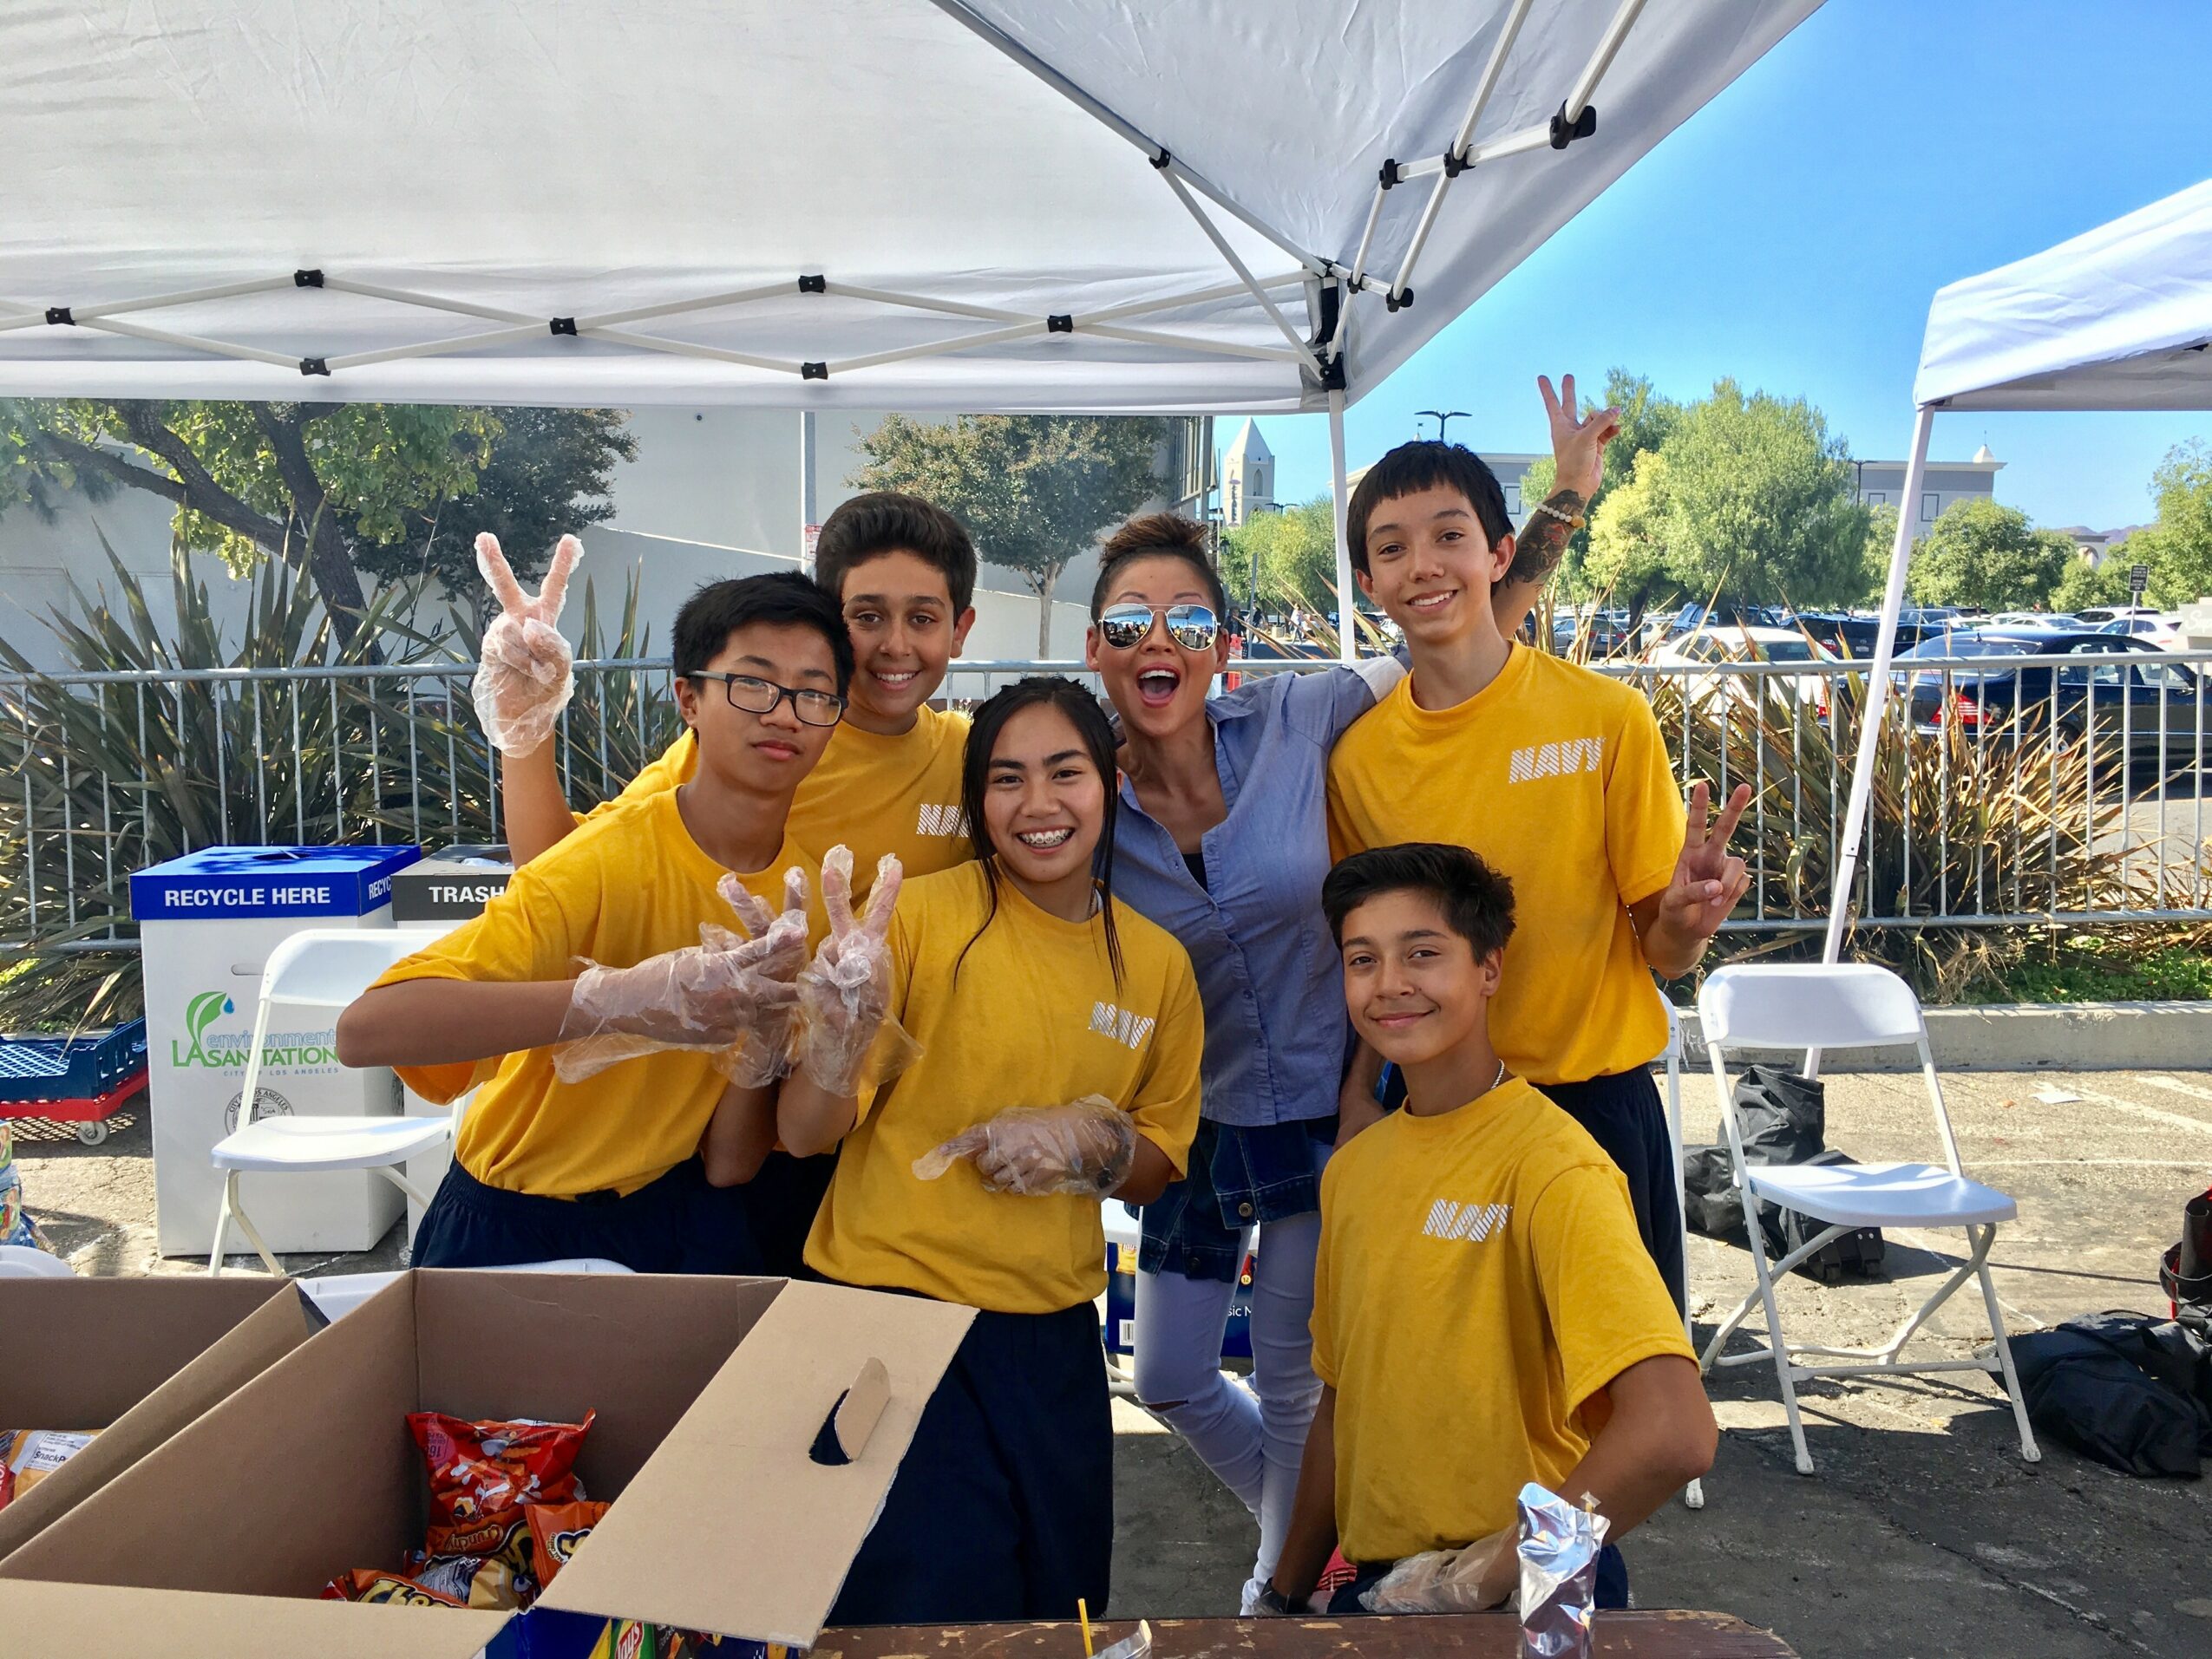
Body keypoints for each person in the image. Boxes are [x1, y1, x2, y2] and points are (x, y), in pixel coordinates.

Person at [1083, 378, 1618, 1612]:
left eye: (1184, 618)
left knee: (1290, 1379)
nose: (1155, 642)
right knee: (1162, 1372)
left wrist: (1563, 503)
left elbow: (1460, 620)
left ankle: (1274, 1590)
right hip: (1196, 1121)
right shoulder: (1082, 803)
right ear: (1097, 650)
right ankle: (1298, 1534)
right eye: (1125, 623)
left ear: (1221, 641)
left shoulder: (1299, 714)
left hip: (1336, 1110)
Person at [758, 676, 1204, 1624]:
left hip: (1049, 1338)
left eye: (1065, 772)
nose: (1038, 804)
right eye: (1007, 778)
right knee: (924, 1608)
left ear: (1111, 783)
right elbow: (802, 1133)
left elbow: (1161, 1162)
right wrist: (836, 1034)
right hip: (889, 1319)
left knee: (1062, 1603)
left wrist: (1093, 1142)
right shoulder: (911, 920)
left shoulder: (1159, 964)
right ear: (977, 801)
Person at [474, 490, 982, 1270]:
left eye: (923, 618)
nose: (894, 646)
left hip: (860, 1138)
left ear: (961, 629)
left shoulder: (975, 763)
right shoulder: (752, 734)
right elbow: (554, 867)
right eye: (867, 615)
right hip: (706, 1132)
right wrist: (525, 729)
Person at [1325, 425, 1751, 1309]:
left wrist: (1685, 916)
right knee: (1470, 1402)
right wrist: (1360, 1095)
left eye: (1450, 535)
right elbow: (1372, 961)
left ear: (1498, 552)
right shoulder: (1357, 761)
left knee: (1620, 1405)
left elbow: (1663, 953)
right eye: (1392, 547)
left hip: (1596, 1112)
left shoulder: (1605, 717)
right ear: (1368, 581)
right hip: (1441, 1115)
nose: (1425, 565)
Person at [333, 572, 849, 1272]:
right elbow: (368, 1029)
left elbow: (730, 1163)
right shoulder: (605, 856)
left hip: (680, 1215)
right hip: (517, 1216)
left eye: (814, 693)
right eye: (752, 683)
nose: (785, 713)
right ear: (688, 697)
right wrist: (617, 1001)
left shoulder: (807, 905)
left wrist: (763, 1048)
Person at [1263, 843, 1716, 1617]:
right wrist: (1281, 1598)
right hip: (1378, 1590)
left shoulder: (1554, 1168)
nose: (1391, 984)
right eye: (1362, 958)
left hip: (1528, 1589)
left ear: (1490, 969)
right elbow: (1342, 1407)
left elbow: (1675, 1429)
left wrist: (1500, 1569)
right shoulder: (1354, 1171)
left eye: (1424, 953)